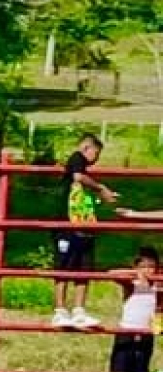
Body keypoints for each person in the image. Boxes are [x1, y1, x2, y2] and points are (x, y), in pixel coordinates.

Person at [52, 133, 117, 330]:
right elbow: (78, 176)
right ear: (86, 148)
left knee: (84, 268)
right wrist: (101, 188)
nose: (96, 159)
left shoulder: (85, 172)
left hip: (84, 225)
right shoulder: (77, 159)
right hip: (67, 223)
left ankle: (79, 311)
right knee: (64, 266)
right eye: (96, 153)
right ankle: (60, 311)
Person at [94, 247, 160, 372]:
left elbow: (158, 311)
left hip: (146, 337)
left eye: (152, 267)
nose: (148, 270)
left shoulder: (158, 286)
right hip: (126, 334)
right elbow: (111, 273)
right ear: (136, 267)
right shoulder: (131, 283)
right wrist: (137, 273)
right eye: (144, 266)